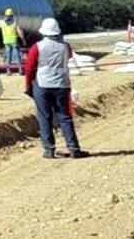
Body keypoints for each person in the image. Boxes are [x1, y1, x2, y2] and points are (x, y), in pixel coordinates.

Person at [24, 16, 89, 159]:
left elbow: (29, 68)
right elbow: (69, 57)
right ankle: (74, 148)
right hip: (62, 85)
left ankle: (49, 149)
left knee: (44, 117)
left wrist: (28, 85)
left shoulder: (37, 47)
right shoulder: (66, 46)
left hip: (42, 85)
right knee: (65, 117)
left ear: (43, 32)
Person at [0, 7, 26, 75]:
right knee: (17, 56)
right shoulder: (14, 23)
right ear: (12, 15)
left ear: (5, 15)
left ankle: (8, 71)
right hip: (14, 41)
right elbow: (20, 32)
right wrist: (23, 40)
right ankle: (20, 70)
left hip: (6, 42)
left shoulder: (2, 23)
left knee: (8, 56)